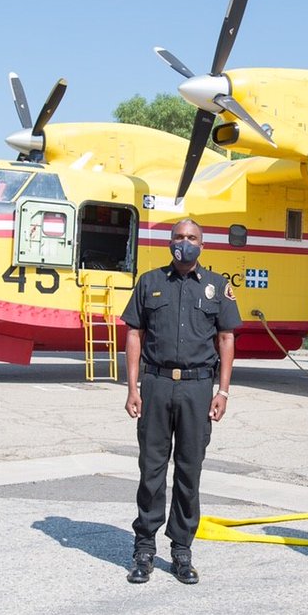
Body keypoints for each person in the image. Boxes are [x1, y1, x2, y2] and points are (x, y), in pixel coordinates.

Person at [122, 218, 241, 585]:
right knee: (151, 470)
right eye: (178, 237)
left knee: (189, 472)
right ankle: (144, 548)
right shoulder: (150, 282)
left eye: (191, 238)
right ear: (169, 242)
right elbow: (134, 333)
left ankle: (181, 550)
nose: (184, 243)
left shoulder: (217, 287)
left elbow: (226, 339)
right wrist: (132, 387)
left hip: (197, 388)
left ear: (202, 245)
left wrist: (223, 392)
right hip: (156, 384)